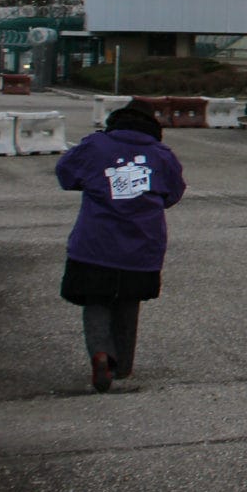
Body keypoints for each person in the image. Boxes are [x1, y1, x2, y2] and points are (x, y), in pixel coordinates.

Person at [56, 103, 187, 393]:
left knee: (95, 300)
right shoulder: (161, 155)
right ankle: (123, 366)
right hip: (142, 244)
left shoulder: (95, 145)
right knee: (129, 301)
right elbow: (173, 193)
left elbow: (65, 173)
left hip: (94, 242)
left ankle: (101, 354)